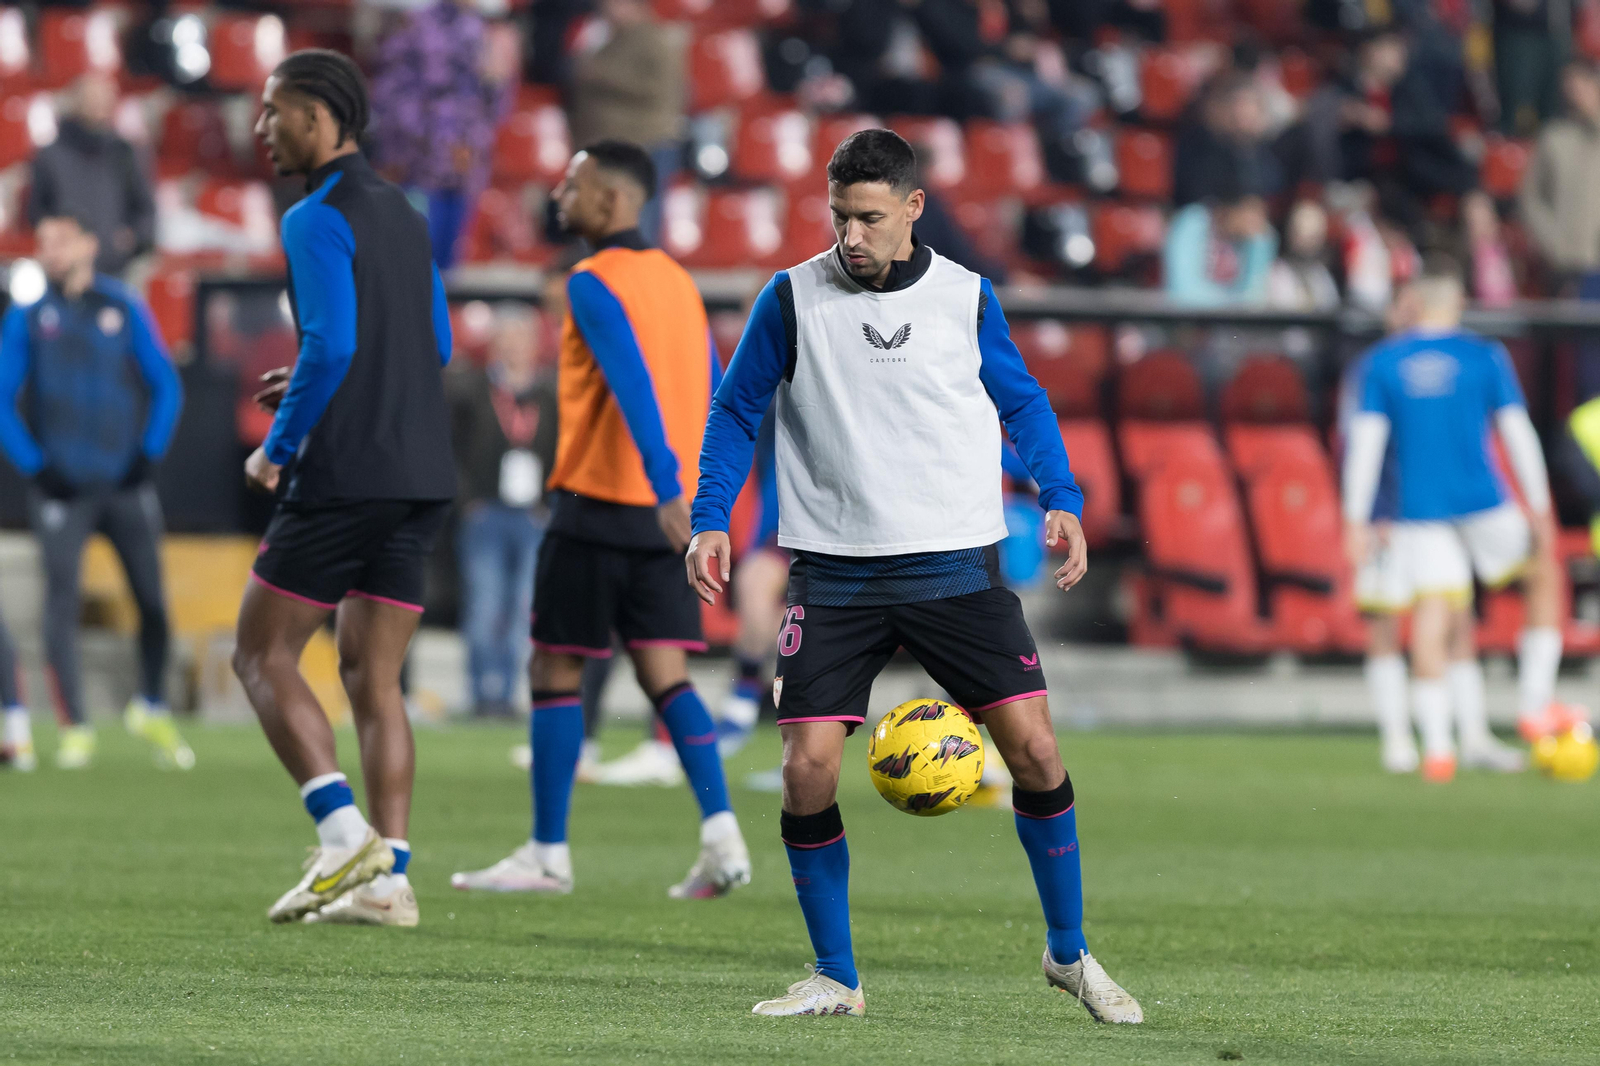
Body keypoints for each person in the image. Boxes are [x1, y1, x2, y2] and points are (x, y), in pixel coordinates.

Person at [687, 129, 1141, 1022]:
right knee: (806, 770)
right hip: (835, 577)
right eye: (839, 217)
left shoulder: (966, 298)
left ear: (912, 209)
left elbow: (1022, 399)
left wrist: (1061, 492)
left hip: (954, 569)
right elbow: (736, 408)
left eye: (868, 218)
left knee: (1038, 752)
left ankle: (1069, 952)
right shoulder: (790, 299)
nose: (851, 236)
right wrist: (709, 516)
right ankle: (835, 975)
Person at [453, 140, 750, 899]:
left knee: (553, 666)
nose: (559, 193)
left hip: (600, 507)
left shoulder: (591, 281)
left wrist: (662, 487)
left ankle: (547, 853)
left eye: (574, 185)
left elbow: (631, 386)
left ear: (614, 202)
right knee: (667, 675)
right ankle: (722, 838)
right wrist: (701, 494)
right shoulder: (682, 284)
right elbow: (718, 392)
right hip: (669, 521)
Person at [235, 49, 456, 928]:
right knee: (373, 677)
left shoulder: (312, 217)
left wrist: (276, 449)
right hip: (424, 475)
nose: (262, 128)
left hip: (348, 471)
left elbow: (333, 345)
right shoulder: (402, 211)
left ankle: (338, 835)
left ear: (321, 118)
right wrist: (322, 376)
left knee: (260, 653)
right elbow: (433, 340)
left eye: (273, 111)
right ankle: (389, 880)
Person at [1343, 257, 1567, 783]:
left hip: (1417, 511)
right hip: (1481, 501)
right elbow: (1517, 433)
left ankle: (1438, 748)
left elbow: (1365, 445)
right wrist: (1538, 504)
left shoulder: (1382, 363)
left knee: (1433, 613)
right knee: (1543, 576)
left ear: (1414, 305)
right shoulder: (1484, 356)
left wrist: (1353, 516)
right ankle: (1534, 705)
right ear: (1459, 305)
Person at [0, 214, 186, 771]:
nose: (49, 251)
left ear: (88, 242)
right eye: (43, 243)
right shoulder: (30, 317)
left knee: (153, 602)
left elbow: (166, 384)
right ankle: (75, 724)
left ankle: (150, 703)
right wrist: (36, 468)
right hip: (63, 489)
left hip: (123, 482)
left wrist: (149, 454)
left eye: (59, 240)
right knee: (61, 604)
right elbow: (2, 399)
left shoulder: (123, 306)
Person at [448, 305, 558, 718]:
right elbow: (453, 449)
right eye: (506, 338)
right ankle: (482, 694)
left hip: (533, 516)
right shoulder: (472, 391)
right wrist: (467, 501)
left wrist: (549, 504)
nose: (514, 347)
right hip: (485, 514)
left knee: (524, 608)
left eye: (521, 338)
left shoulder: (549, 395)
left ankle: (512, 695)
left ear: (534, 344)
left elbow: (561, 454)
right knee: (484, 603)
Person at [368, 0, 514, 270]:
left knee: (450, 266)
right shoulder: (416, 26)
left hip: (464, 166)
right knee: (415, 259)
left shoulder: (483, 31)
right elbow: (390, 94)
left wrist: (497, 80)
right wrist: (428, 140)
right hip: (420, 167)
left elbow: (496, 105)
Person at [567, 0, 687, 245]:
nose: (607, 9)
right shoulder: (608, 37)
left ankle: (636, 282)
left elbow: (660, 89)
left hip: (645, 145)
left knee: (637, 225)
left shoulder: (654, 41)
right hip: (612, 149)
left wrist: (598, 74)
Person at [27, 73, 155, 278]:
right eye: (90, 98)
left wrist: (131, 238)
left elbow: (145, 210)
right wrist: (58, 241)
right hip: (63, 271)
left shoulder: (124, 152)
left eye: (102, 99)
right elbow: (38, 212)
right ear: (75, 102)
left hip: (115, 268)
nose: (96, 106)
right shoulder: (50, 155)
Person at [1163, 184, 1277, 307]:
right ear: (1230, 208)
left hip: (1232, 320)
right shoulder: (1192, 222)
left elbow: (1253, 297)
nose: (1257, 222)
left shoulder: (1254, 240)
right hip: (1191, 318)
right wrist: (1232, 305)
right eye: (1252, 212)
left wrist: (1261, 245)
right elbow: (1182, 293)